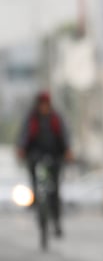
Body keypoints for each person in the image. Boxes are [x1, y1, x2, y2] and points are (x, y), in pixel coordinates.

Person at [16, 90, 72, 237]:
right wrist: (21, 149)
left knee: (54, 188)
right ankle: (36, 201)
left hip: (54, 155)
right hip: (35, 155)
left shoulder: (55, 117)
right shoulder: (31, 118)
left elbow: (64, 134)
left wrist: (67, 150)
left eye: (46, 104)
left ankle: (57, 221)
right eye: (41, 104)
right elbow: (24, 134)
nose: (43, 107)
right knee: (35, 180)